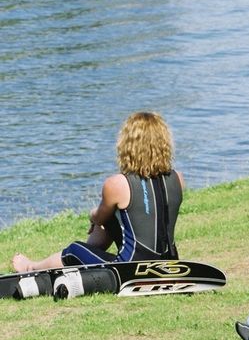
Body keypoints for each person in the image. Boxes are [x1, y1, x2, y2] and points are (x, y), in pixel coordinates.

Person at [11, 112, 184, 273]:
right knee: (115, 217)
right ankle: (90, 256)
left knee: (74, 250)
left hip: (131, 267)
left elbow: (100, 218)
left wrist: (92, 216)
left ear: (128, 145)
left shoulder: (117, 184)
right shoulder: (178, 178)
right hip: (169, 262)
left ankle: (31, 267)